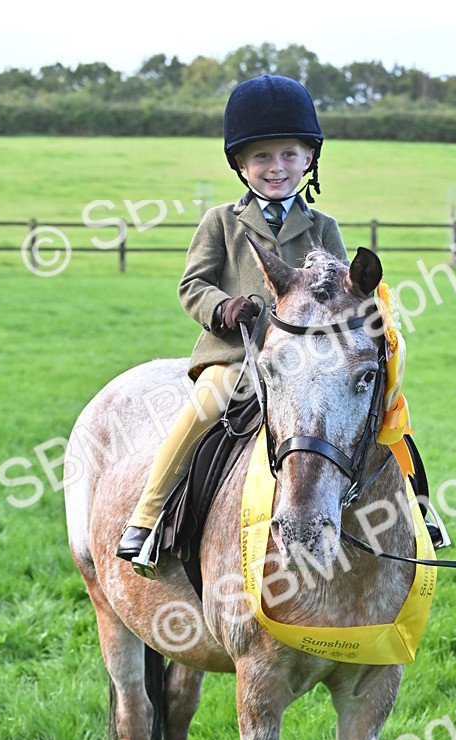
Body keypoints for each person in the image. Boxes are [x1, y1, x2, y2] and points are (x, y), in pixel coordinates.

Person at [116, 74, 348, 571]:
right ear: (240, 164)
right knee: (205, 407)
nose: (276, 167)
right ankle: (147, 517)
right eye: (261, 156)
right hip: (236, 358)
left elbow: (342, 295)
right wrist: (222, 308)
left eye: (288, 154)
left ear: (309, 158)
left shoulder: (324, 228)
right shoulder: (221, 222)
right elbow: (192, 285)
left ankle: (417, 508)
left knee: (367, 407)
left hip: (306, 365)